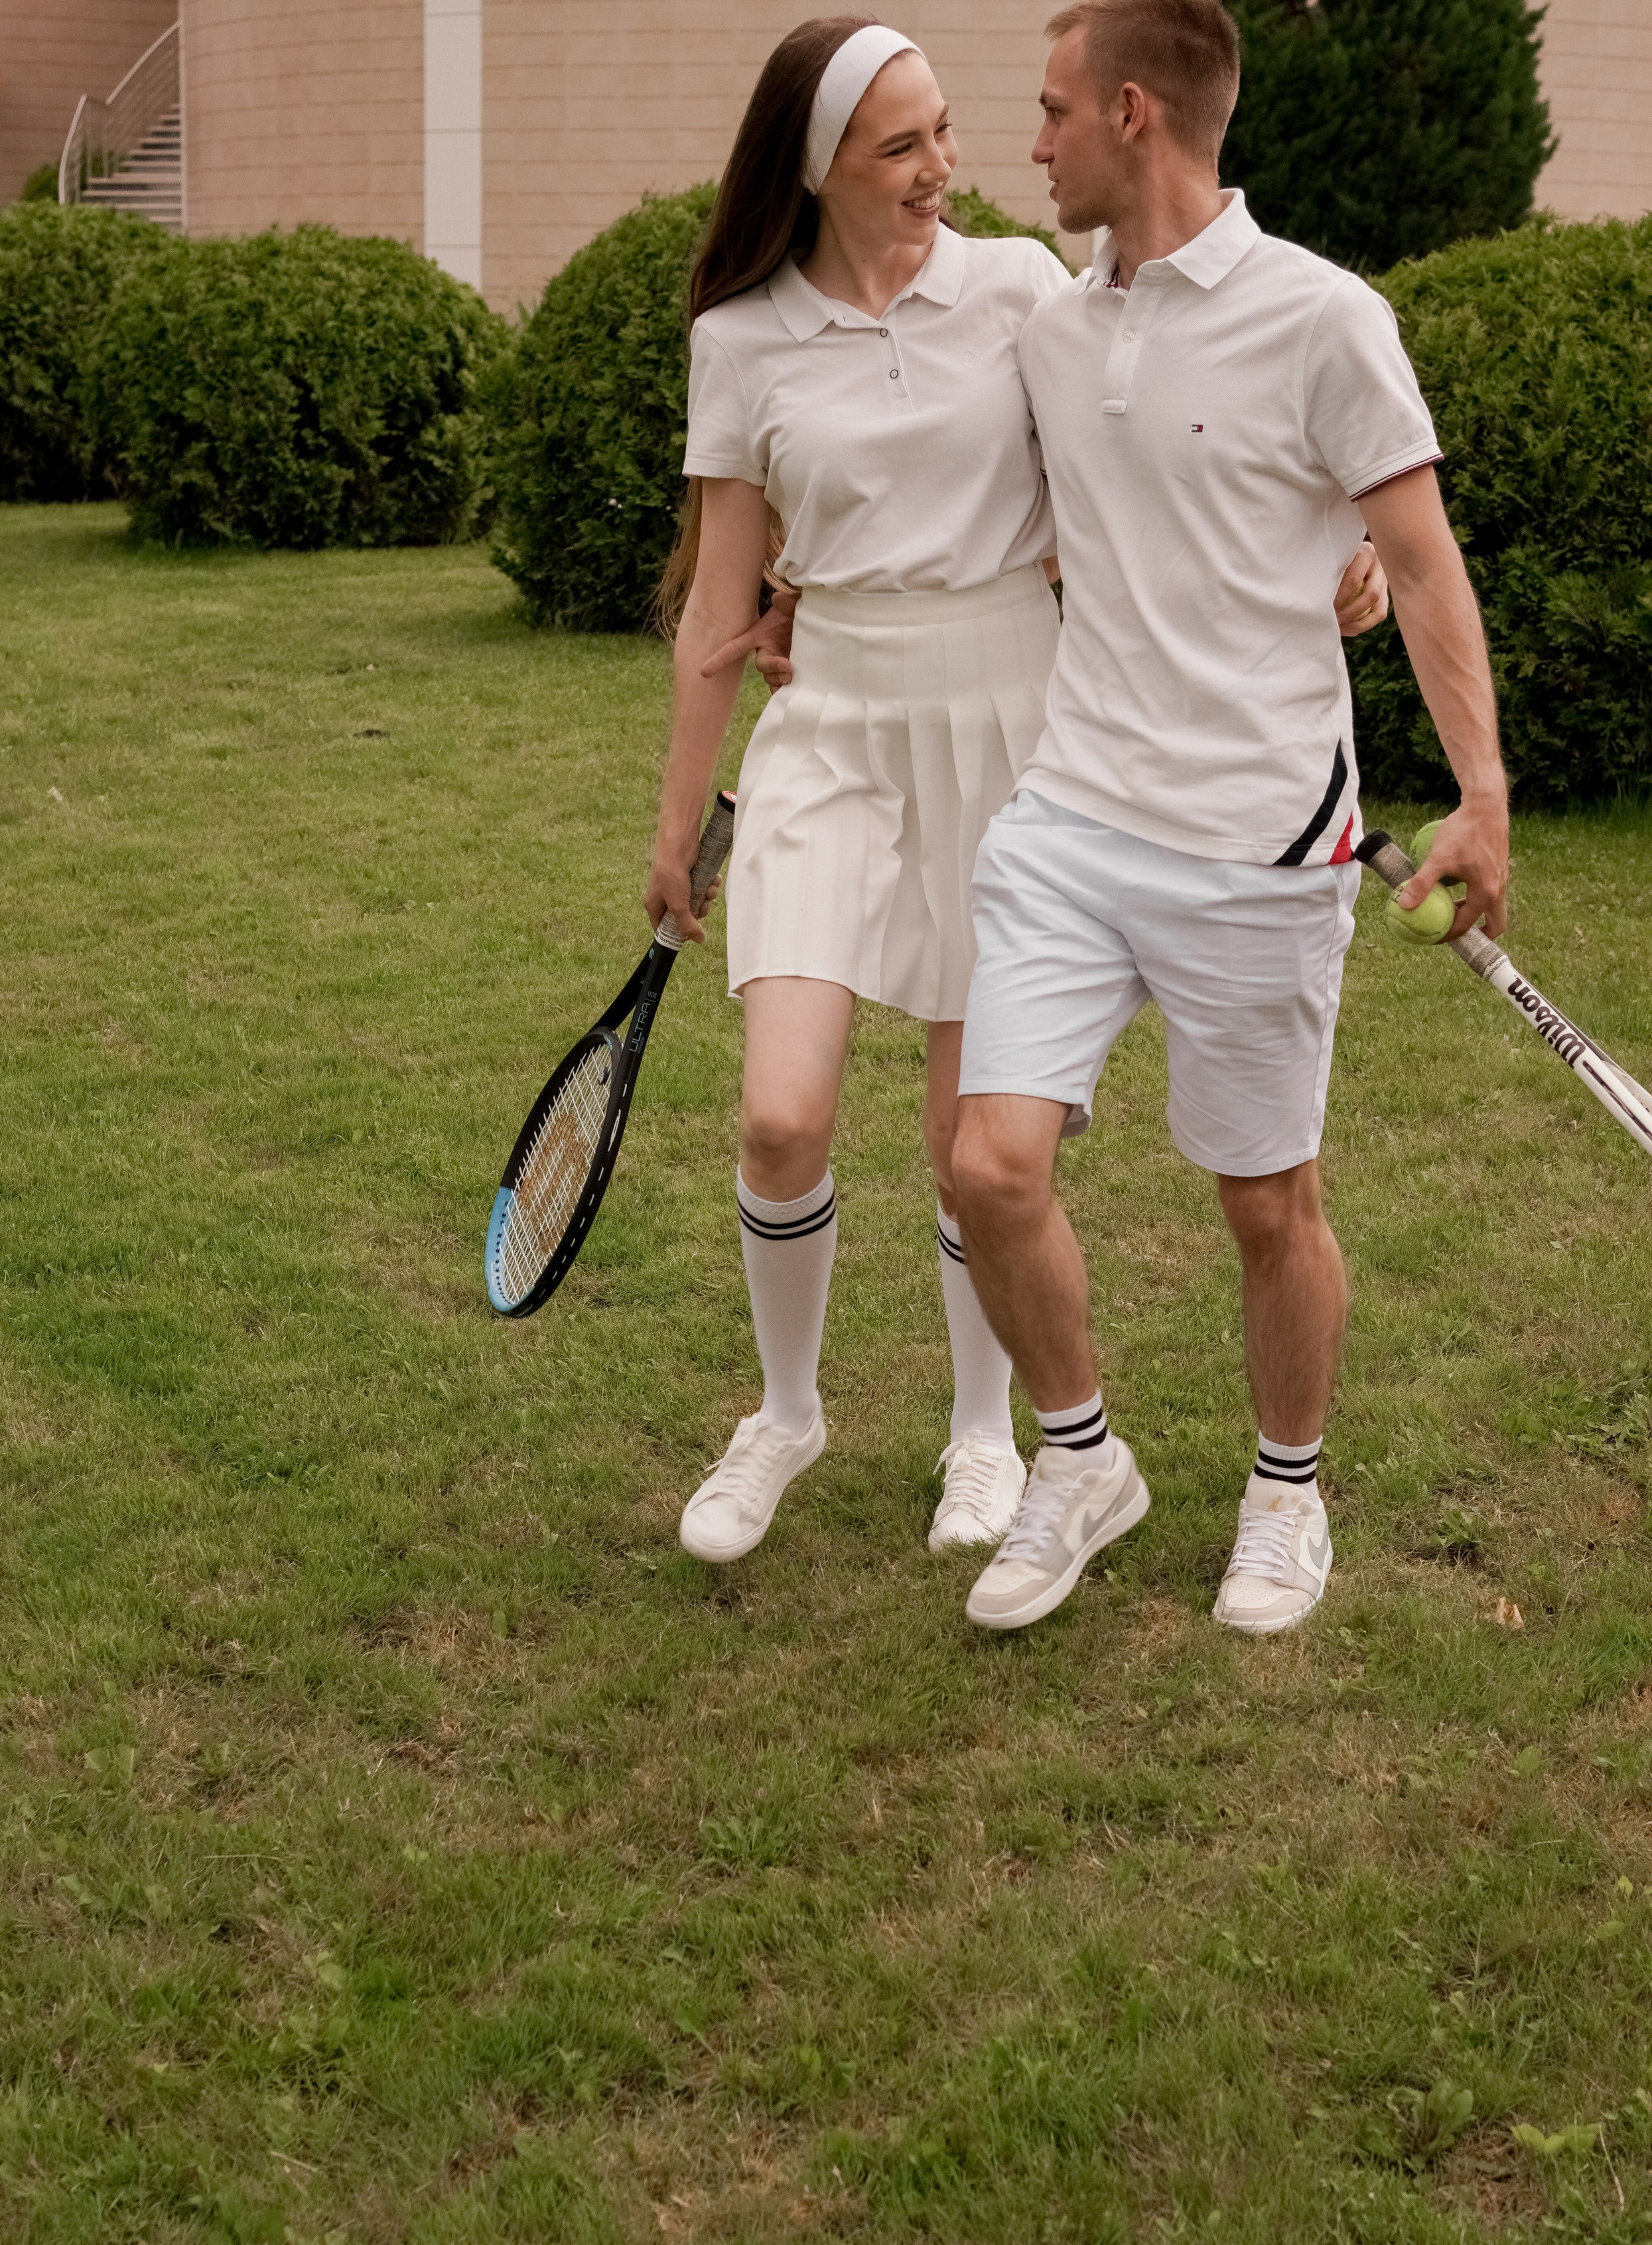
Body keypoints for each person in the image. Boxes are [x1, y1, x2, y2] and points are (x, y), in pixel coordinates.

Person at [646, 13, 1387, 1569]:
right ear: (819, 169)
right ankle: (784, 1413)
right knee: (781, 1118)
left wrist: (1329, 562)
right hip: (831, 726)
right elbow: (719, 606)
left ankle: (987, 1442)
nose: (944, 168)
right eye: (900, 146)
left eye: (942, 132)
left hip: (1010, 720)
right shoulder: (740, 337)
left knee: (969, 1142)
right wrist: (674, 826)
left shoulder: (1018, 291)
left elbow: (1155, 474)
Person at [949, 0, 1510, 1634]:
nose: (1029, 144)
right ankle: (1076, 1461)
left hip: (1256, 844)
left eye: (1051, 111)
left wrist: (1478, 797)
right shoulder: (1052, 327)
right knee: (987, 1170)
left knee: (1265, 1206)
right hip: (1069, 815)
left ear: (1131, 112)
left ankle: (1285, 1489)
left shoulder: (1323, 319)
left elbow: (1412, 560)